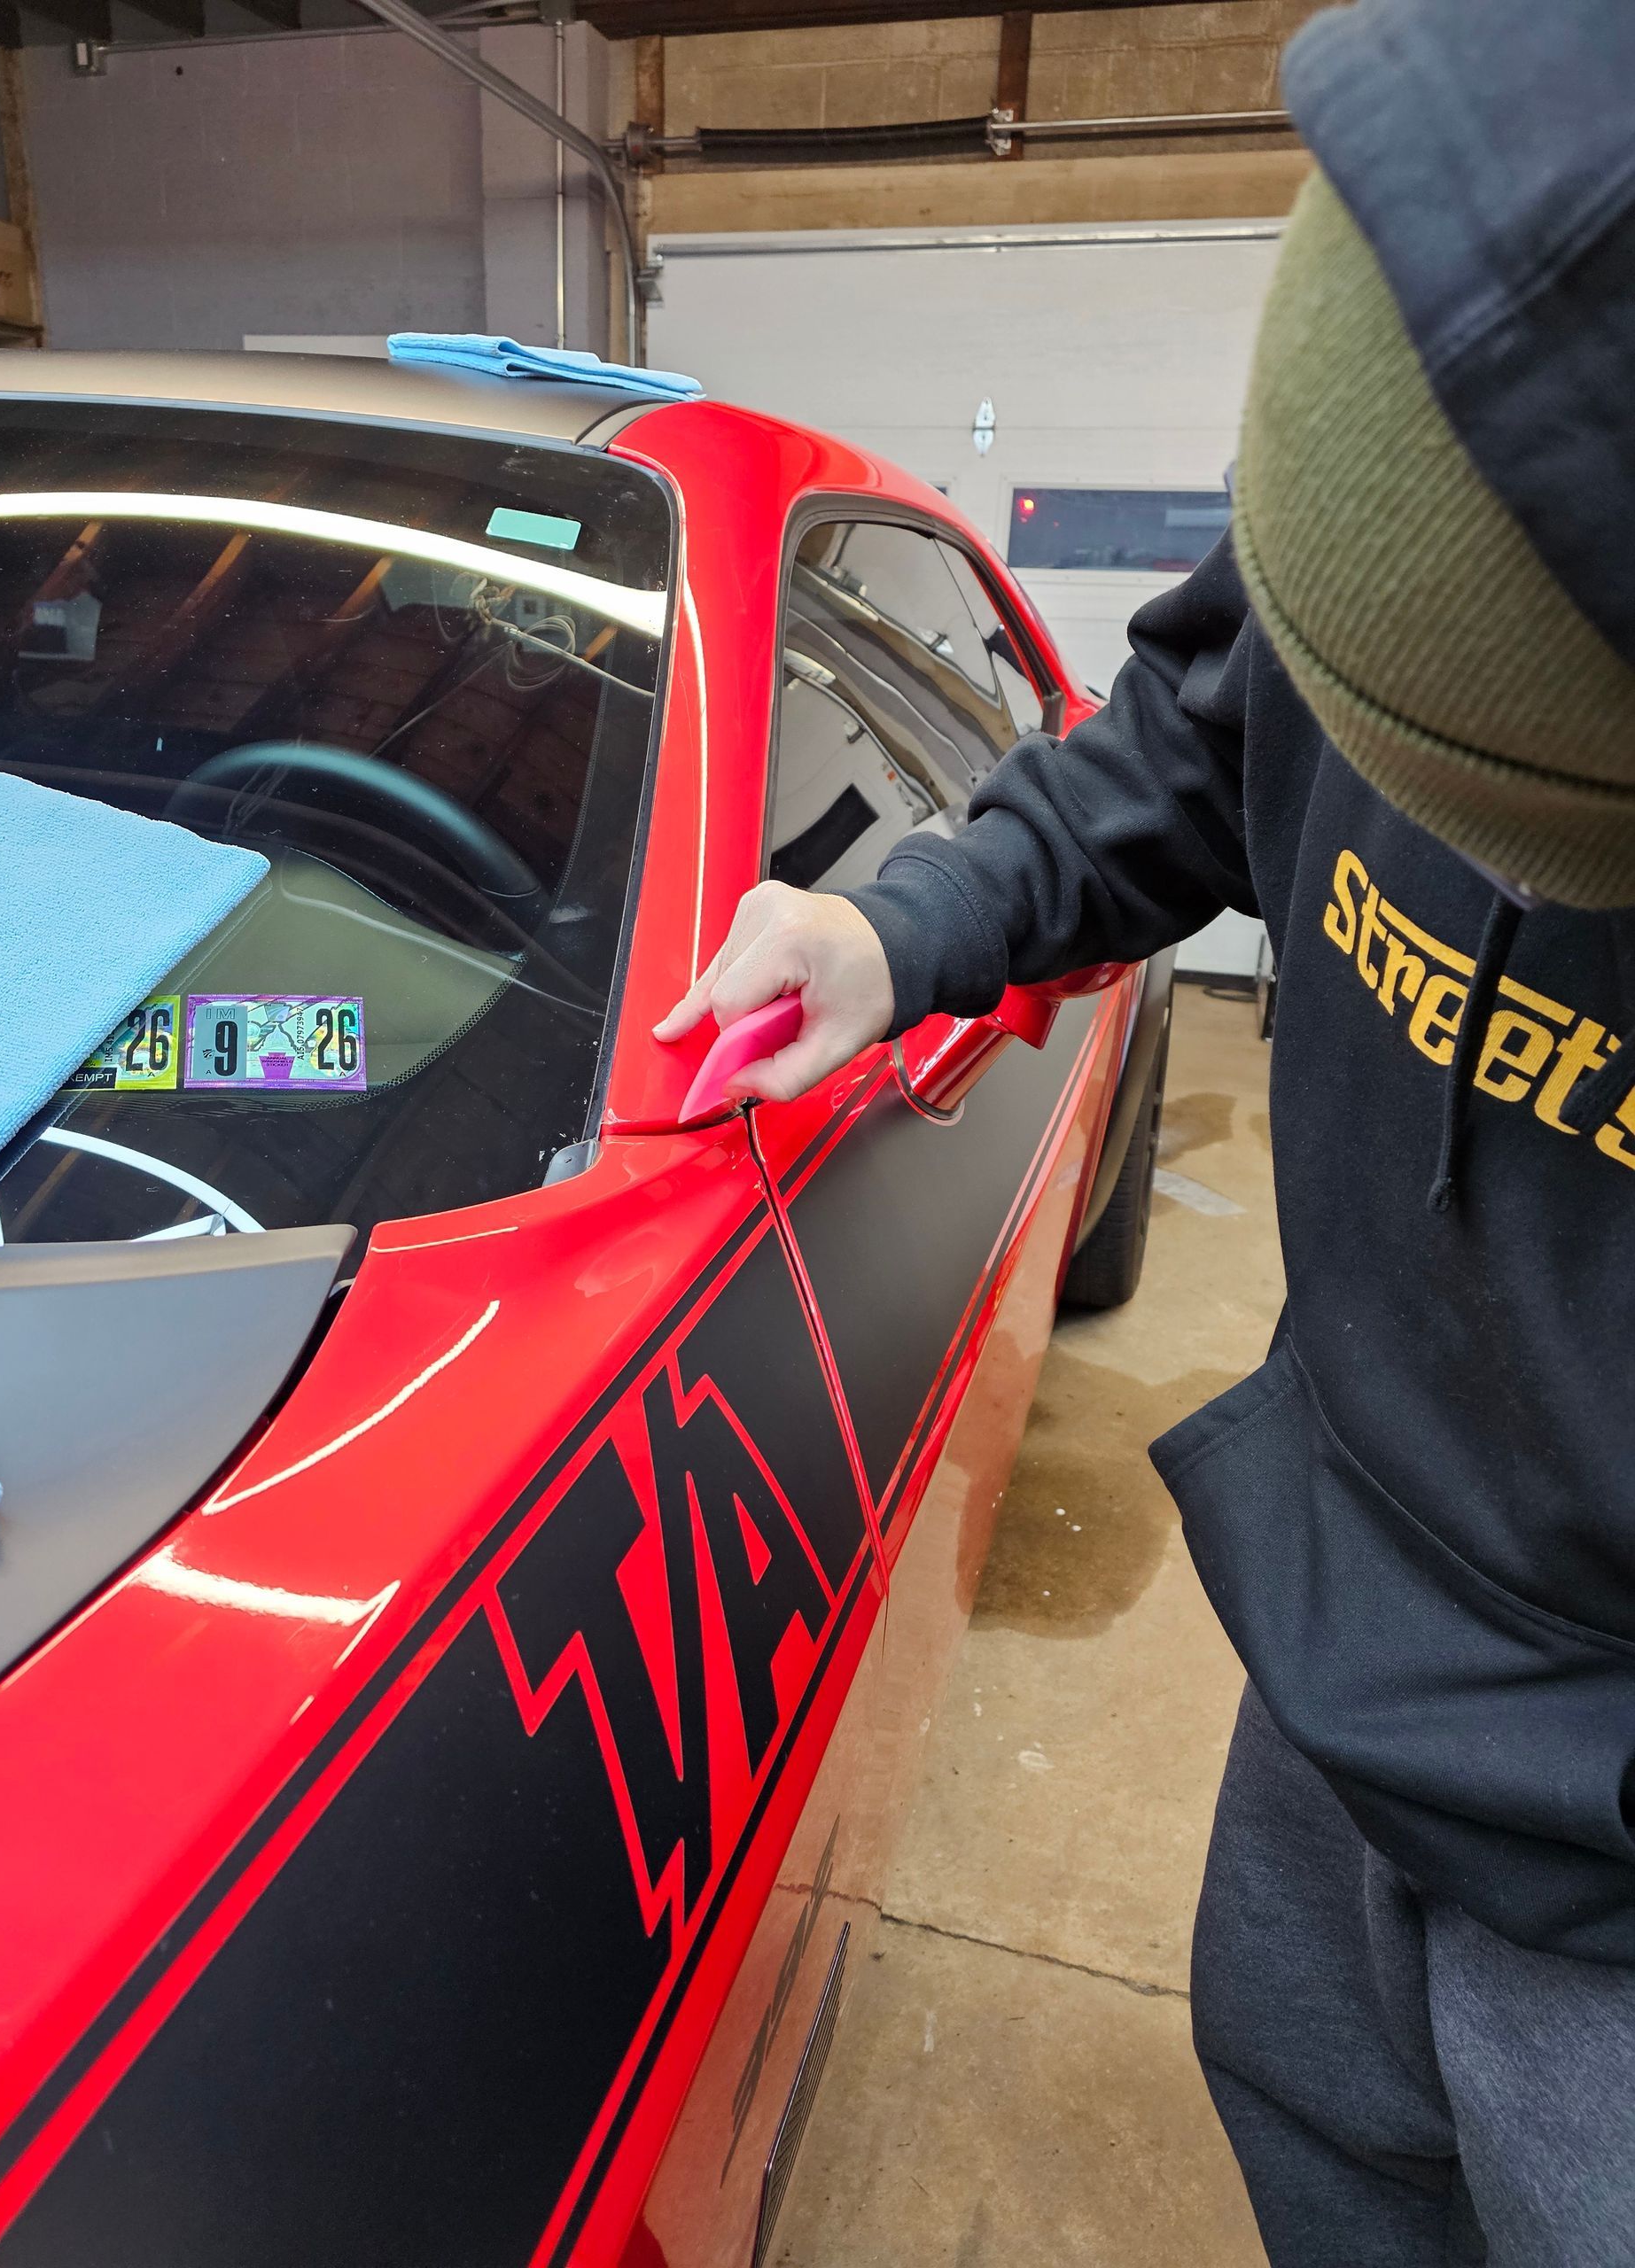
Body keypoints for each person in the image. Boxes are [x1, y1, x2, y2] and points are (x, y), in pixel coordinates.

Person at [656, 2, 1635, 2258]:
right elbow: (1196, 728)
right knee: (1314, 2124)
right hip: (1343, 1662)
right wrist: (900, 935)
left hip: (1608, 1891)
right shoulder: (1431, 365)